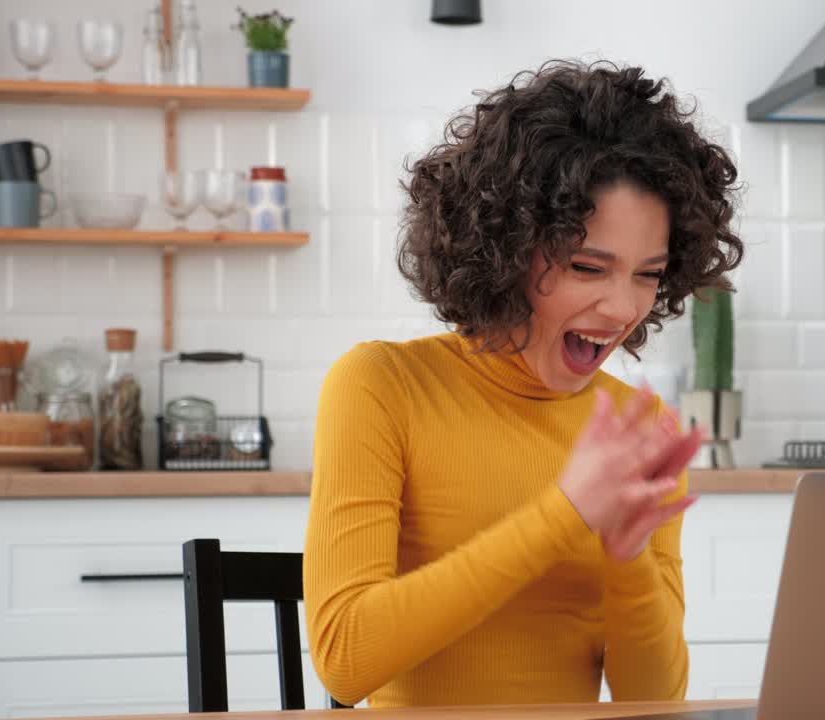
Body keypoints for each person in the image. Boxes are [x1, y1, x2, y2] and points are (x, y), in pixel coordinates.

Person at [303, 59, 744, 708]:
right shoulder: (382, 386)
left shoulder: (639, 436)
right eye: (589, 266)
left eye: (647, 274)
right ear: (505, 249)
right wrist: (564, 513)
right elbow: (344, 660)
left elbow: (653, 698)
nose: (625, 308)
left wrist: (628, 557)